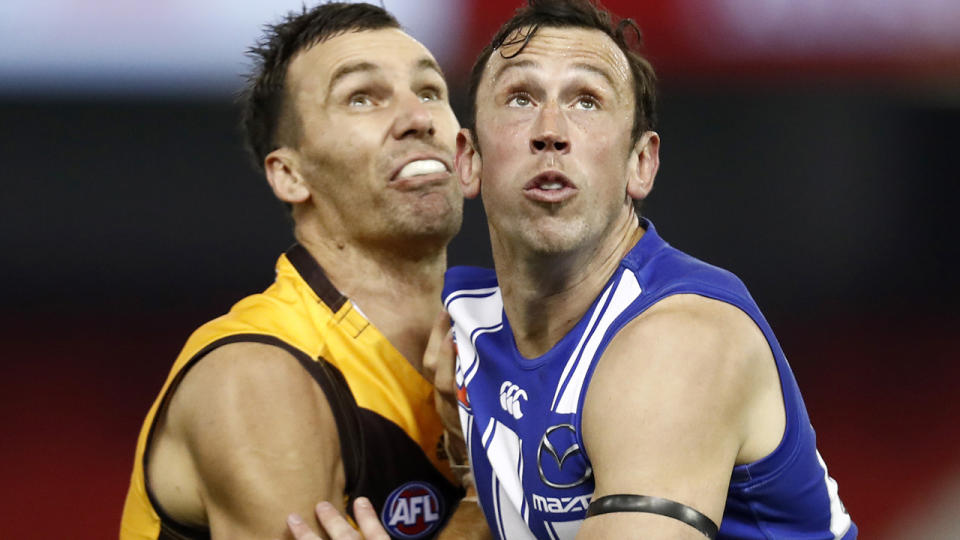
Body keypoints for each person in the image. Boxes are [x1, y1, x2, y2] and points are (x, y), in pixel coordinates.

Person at [288, 0, 859, 539]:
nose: (551, 130)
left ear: (641, 164)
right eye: (520, 98)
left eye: (587, 101)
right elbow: (485, 516)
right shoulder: (466, 337)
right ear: (468, 160)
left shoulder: (680, 343)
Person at [120, 3, 479, 539]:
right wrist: (486, 497)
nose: (417, 117)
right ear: (290, 175)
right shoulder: (257, 375)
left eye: (430, 92)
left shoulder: (504, 341)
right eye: (362, 98)